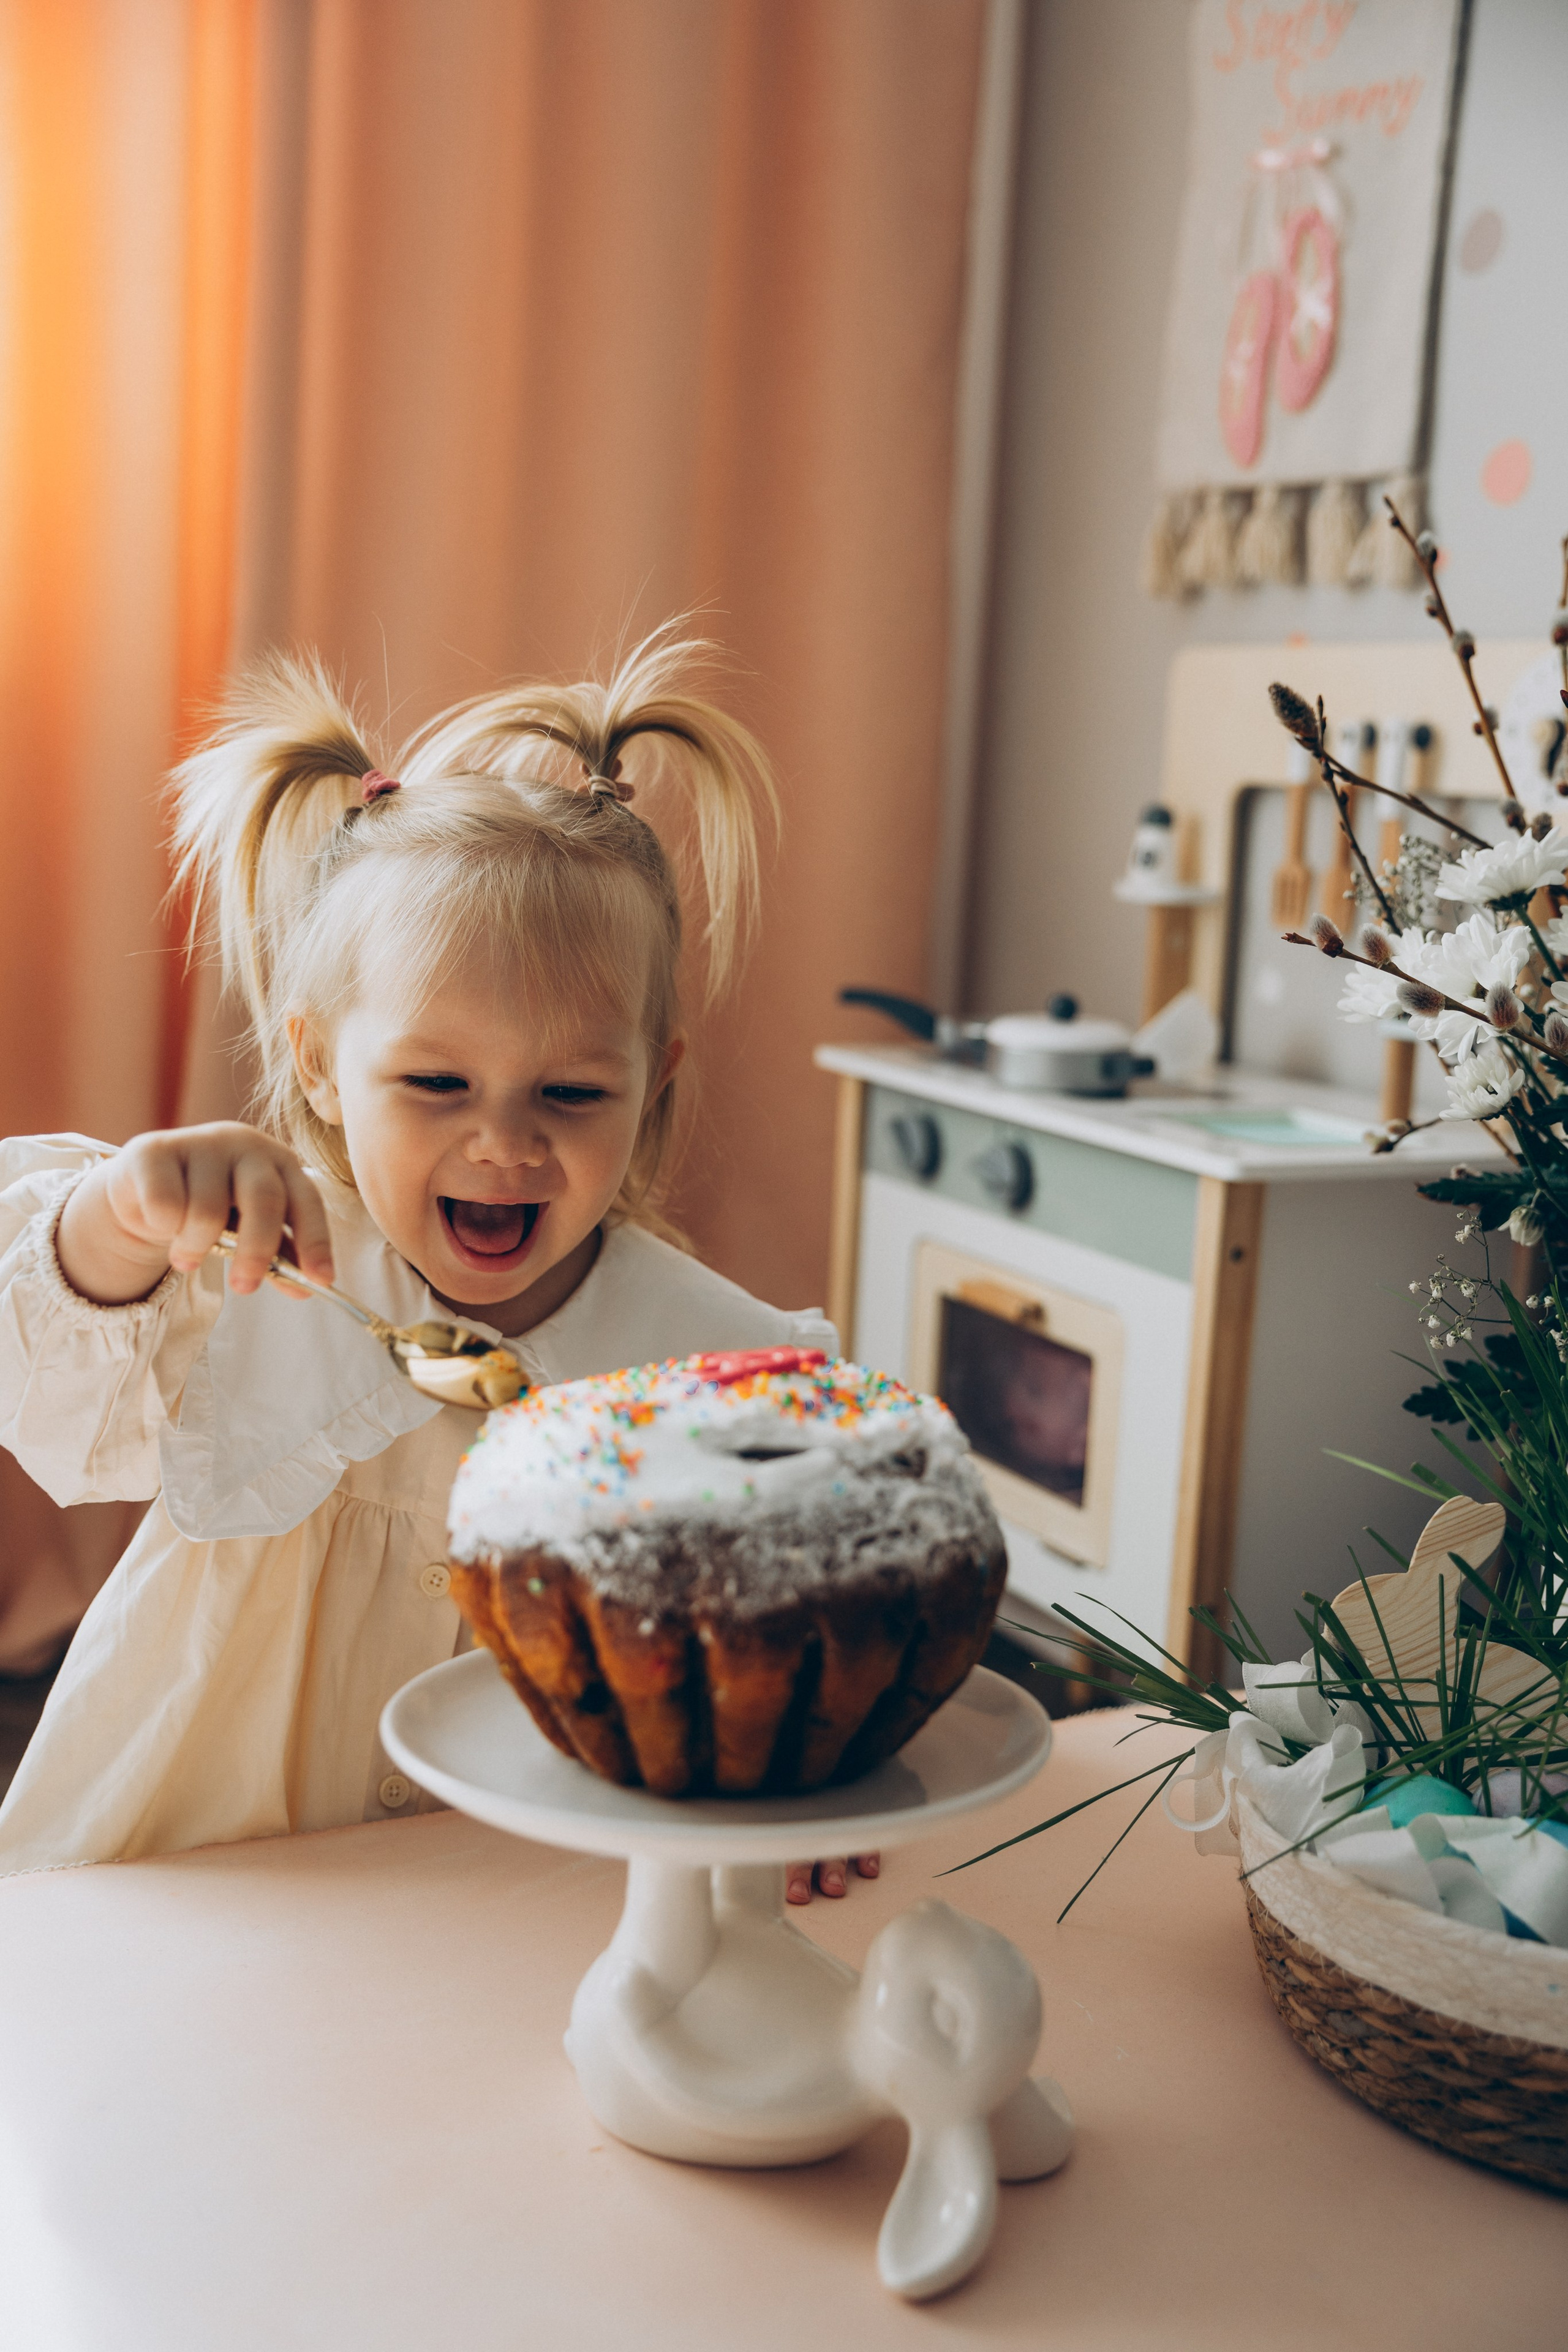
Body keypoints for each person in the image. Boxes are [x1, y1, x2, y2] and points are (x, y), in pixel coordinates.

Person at [0, 627, 875, 1902]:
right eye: (435, 1082)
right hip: (205, 1881)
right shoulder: (256, 1271)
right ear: (316, 1063)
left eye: (572, 1091)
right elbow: (58, 1422)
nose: (505, 1140)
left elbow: (799, 1617)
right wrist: (116, 1224)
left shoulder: (714, 1367)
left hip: (526, 1893)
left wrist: (808, 1760)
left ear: (654, 1081)